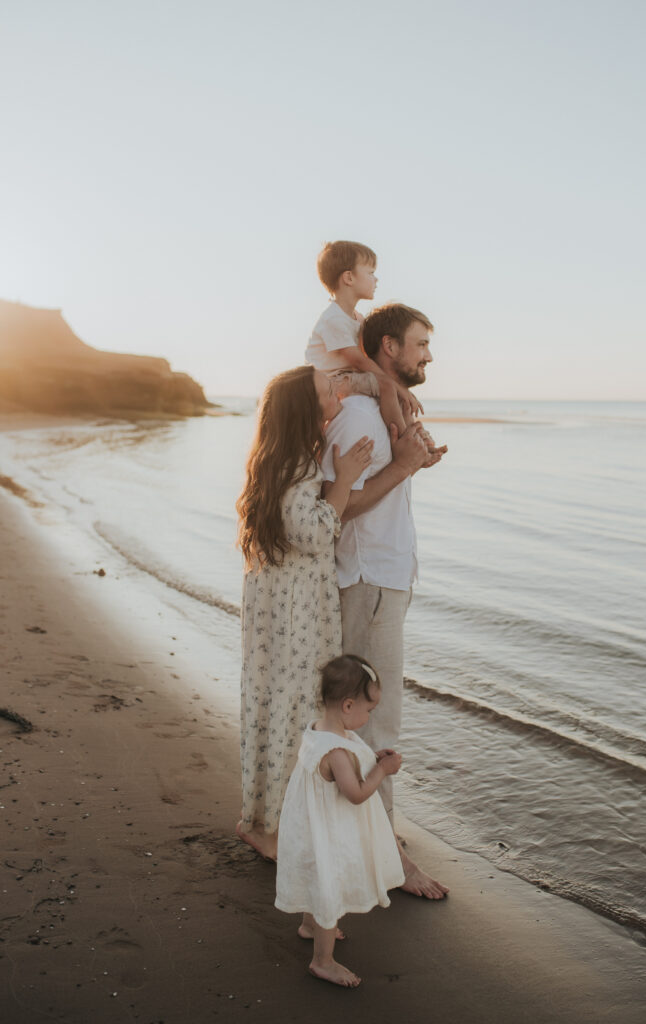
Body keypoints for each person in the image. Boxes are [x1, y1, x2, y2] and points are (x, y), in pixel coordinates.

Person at [321, 302, 449, 900]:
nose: (429, 354)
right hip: (370, 582)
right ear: (389, 347)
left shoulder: (379, 414)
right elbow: (337, 506)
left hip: (382, 581)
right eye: (421, 343)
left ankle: (371, 836)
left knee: (370, 717)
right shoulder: (361, 417)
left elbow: (379, 489)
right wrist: (402, 467)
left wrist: (411, 464)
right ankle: (388, 854)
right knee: (377, 719)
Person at [235, 365, 374, 861]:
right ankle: (270, 827)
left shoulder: (283, 459)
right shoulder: (296, 464)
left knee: (275, 705)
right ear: (305, 410)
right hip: (294, 610)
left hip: (280, 604)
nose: (336, 393)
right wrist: (348, 481)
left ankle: (263, 817)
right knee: (294, 707)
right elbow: (314, 533)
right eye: (326, 390)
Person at [275, 654, 405, 988]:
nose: (369, 716)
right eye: (369, 709)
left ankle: (309, 924)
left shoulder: (321, 729)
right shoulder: (336, 751)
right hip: (327, 832)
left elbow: (346, 764)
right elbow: (357, 793)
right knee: (328, 884)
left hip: (309, 826)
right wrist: (383, 771)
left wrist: (370, 758)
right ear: (348, 706)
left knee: (315, 877)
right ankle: (323, 961)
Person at [305, 240, 422, 435]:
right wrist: (397, 388)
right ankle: (405, 438)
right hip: (330, 381)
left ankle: (416, 434)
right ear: (349, 278)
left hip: (347, 376)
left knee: (394, 385)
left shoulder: (357, 318)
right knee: (388, 386)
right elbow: (358, 360)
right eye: (370, 273)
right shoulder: (334, 319)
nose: (376, 280)